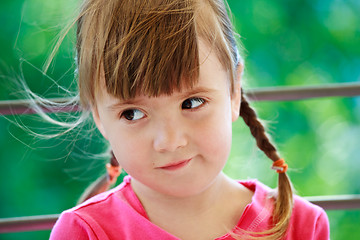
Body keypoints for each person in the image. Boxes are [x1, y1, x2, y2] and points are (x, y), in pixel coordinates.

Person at [49, 0, 329, 239]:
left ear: (234, 91)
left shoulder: (300, 226)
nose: (169, 141)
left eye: (192, 103)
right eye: (132, 113)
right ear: (98, 116)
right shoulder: (83, 232)